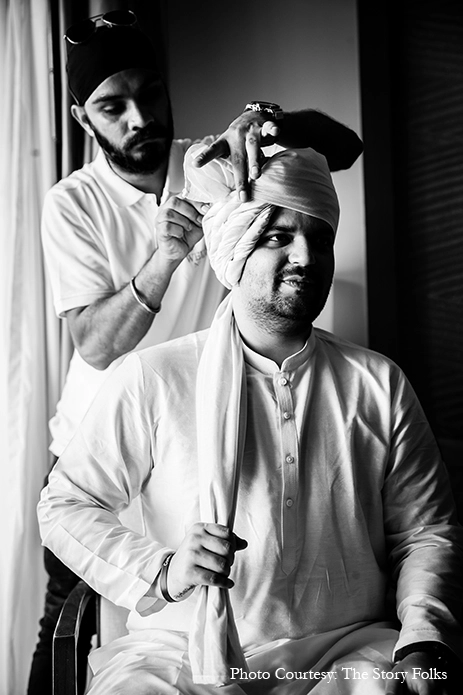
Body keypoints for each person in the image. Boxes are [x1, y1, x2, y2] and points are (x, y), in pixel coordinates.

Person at [38, 142, 463, 695]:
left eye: (320, 239)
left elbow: (425, 531)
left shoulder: (377, 382)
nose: (306, 258)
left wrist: (424, 637)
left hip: (347, 650)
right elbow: (64, 505)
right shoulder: (154, 377)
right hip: (179, 651)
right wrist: (162, 570)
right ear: (233, 249)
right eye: (277, 237)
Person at [29, 9, 364, 694]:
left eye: (149, 93)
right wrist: (163, 260)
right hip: (100, 444)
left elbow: (346, 146)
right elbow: (93, 342)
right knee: (66, 624)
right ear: (81, 117)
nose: (139, 117)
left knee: (213, 604)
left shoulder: (208, 164)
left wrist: (268, 122)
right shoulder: (71, 203)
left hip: (199, 428)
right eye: (112, 106)